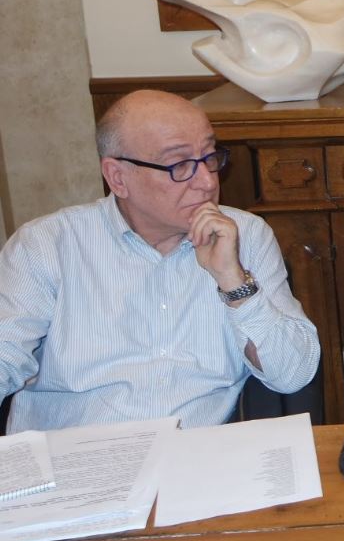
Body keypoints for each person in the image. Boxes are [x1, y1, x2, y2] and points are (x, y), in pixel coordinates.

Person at [0, 90, 319, 432]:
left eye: (210, 157)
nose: (207, 182)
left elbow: (292, 374)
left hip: (197, 454)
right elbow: (6, 356)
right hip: (73, 454)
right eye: (179, 165)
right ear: (117, 177)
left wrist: (233, 279)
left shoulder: (245, 235)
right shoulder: (46, 245)